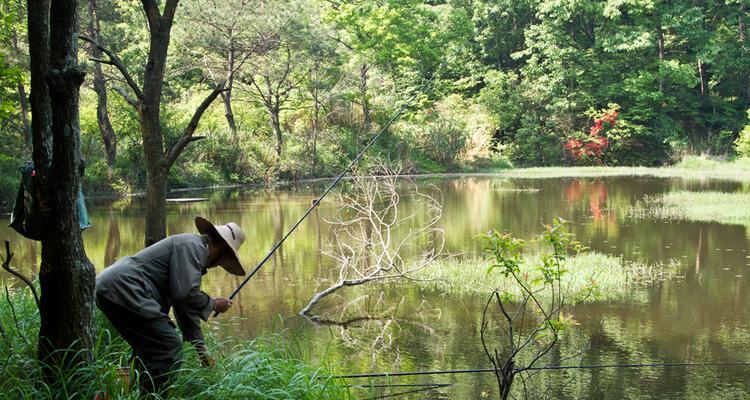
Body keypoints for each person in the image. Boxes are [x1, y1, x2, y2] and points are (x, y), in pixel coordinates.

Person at [95, 217, 246, 394]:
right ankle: (153, 397)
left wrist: (201, 349)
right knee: (168, 344)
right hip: (125, 287)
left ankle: (130, 393)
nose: (218, 265)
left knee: (149, 347)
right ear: (220, 248)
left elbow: (182, 303)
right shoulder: (192, 248)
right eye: (223, 260)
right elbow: (185, 293)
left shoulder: (192, 248)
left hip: (114, 287)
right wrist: (213, 303)